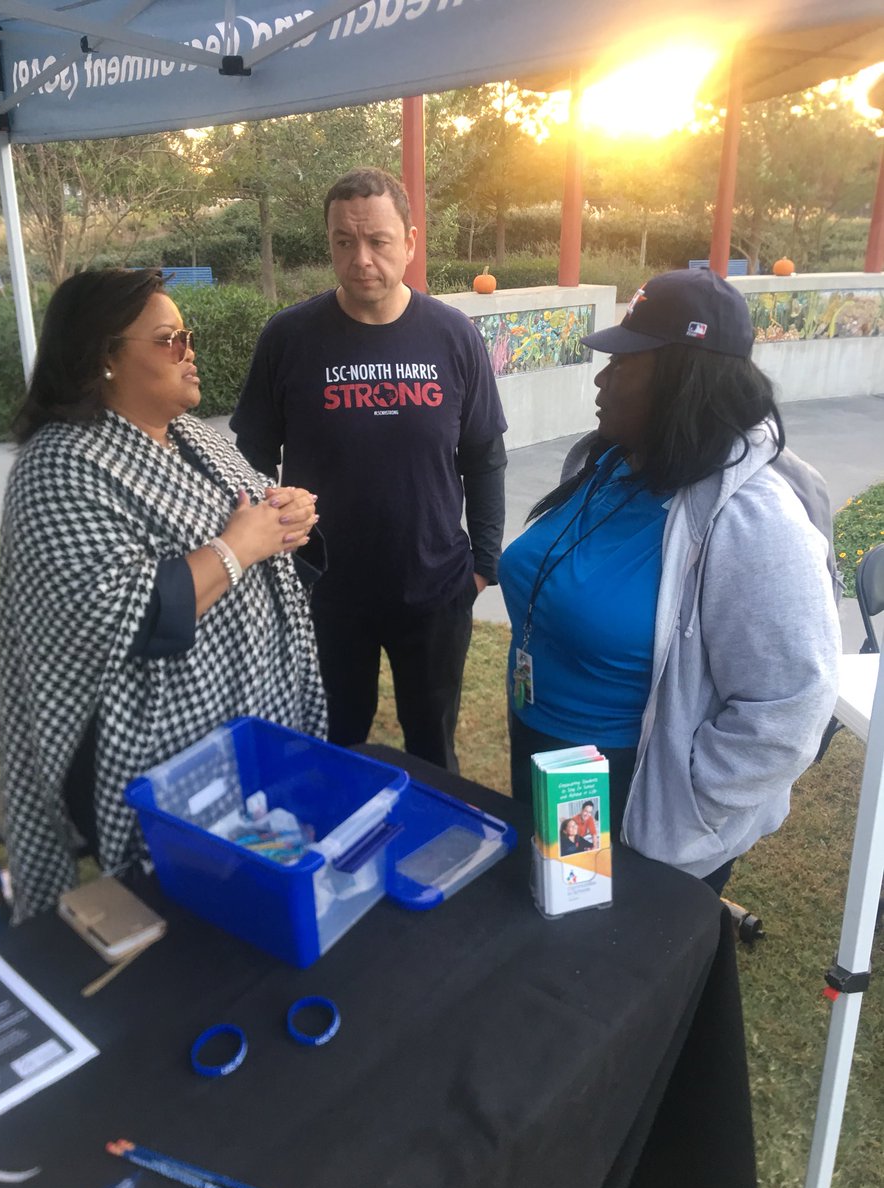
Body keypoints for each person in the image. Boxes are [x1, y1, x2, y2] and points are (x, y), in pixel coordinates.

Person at [0, 268, 327, 921]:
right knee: (190, 922)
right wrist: (239, 547)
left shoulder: (195, 437)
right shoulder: (59, 467)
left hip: (248, 714)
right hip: (149, 753)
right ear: (106, 360)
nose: (190, 351)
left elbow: (257, 524)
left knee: (253, 902)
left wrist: (290, 517)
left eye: (188, 335)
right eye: (169, 339)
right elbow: (121, 617)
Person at [499, 268, 840, 894]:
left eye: (625, 365)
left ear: (684, 381)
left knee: (614, 968)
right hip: (548, 753)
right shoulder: (611, 459)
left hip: (632, 796)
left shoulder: (755, 520)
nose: (601, 379)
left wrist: (686, 803)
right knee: (554, 932)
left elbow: (792, 708)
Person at [231, 166, 507, 772]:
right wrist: (265, 540)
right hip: (324, 590)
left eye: (378, 241)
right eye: (343, 241)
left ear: (409, 242)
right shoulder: (289, 337)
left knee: (433, 749)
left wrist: (483, 567)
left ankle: (434, 859)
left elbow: (484, 456)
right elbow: (248, 457)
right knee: (335, 743)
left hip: (434, 587)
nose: (361, 259)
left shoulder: (453, 335)